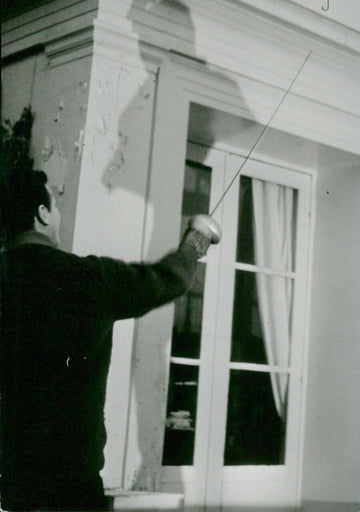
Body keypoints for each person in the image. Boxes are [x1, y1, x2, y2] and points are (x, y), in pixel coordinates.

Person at [0, 168, 220, 511]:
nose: (57, 212)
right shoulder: (90, 279)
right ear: (42, 214)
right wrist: (197, 239)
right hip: (72, 487)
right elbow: (170, 277)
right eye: (54, 205)